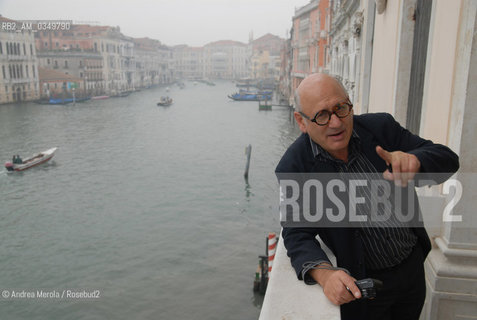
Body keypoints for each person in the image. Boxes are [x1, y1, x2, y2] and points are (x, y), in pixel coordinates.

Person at [275, 73, 459, 320]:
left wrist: (417, 161)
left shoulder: (381, 128)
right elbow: (297, 233)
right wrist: (324, 273)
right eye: (322, 115)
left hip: (412, 270)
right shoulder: (295, 166)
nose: (336, 123)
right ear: (301, 121)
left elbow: (447, 159)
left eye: (341, 108)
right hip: (363, 289)